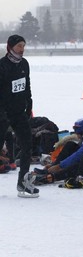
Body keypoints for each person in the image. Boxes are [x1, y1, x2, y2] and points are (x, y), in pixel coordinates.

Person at [0, 34, 39, 198]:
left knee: (27, 145)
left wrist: (29, 104)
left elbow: (26, 85)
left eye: (23, 46)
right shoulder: (2, 65)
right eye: (19, 46)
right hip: (3, 112)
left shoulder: (24, 64)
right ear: (10, 47)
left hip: (18, 112)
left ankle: (23, 182)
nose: (22, 49)